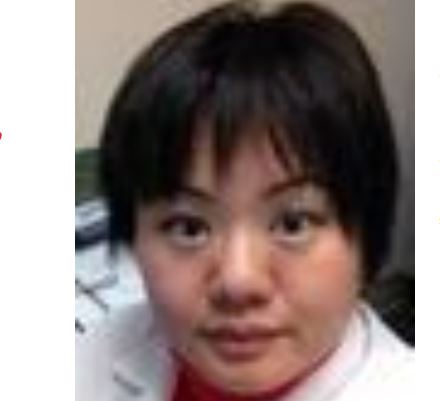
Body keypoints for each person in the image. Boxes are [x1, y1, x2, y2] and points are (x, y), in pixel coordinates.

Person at [76, 1, 414, 400]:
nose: (239, 282)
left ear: (366, 237)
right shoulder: (87, 359)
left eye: (293, 224)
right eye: (189, 228)